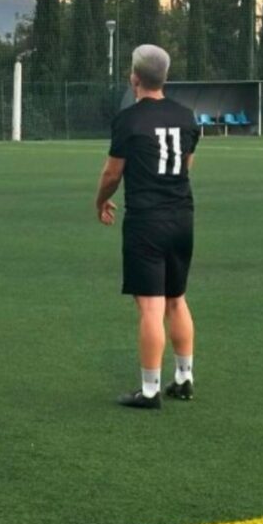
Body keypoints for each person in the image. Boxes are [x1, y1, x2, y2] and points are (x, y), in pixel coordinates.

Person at [95, 45, 200, 410]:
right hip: (182, 217)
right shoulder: (187, 117)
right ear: (165, 78)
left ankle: (151, 389)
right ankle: (184, 378)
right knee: (177, 299)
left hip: (146, 220)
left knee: (151, 307)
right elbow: (186, 164)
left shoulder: (129, 120)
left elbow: (112, 173)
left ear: (134, 77)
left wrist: (100, 200)